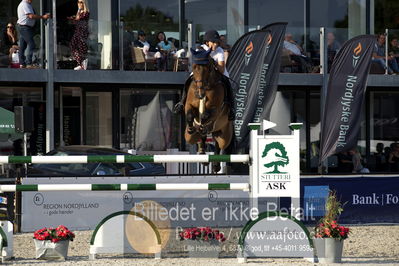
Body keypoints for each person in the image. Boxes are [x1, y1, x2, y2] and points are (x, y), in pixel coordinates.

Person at [173, 29, 234, 120]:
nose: (215, 44)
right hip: (201, 72)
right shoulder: (200, 49)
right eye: (213, 42)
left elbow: (221, 69)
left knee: (227, 83)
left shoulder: (220, 50)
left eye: (217, 42)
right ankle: (182, 102)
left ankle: (231, 108)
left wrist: (214, 62)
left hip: (217, 73)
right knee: (189, 80)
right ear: (207, 42)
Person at [17, 0, 51, 68]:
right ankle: (28, 63)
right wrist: (43, 17)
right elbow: (31, 16)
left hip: (25, 27)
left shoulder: (27, 4)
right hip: (24, 27)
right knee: (32, 44)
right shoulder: (25, 4)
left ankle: (22, 63)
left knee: (23, 46)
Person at [68, 0, 89, 70]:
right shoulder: (79, 12)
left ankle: (81, 64)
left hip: (82, 33)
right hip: (77, 32)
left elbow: (78, 19)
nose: (79, 4)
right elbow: (75, 21)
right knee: (73, 46)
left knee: (81, 48)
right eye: (78, 2)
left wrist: (79, 10)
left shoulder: (86, 13)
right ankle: (81, 63)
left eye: (81, 2)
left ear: (84, 4)